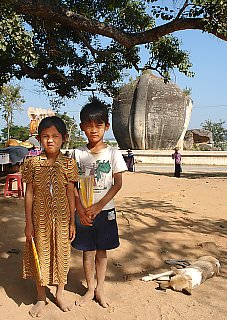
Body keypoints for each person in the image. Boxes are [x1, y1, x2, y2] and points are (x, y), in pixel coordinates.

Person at [72, 99, 127, 308]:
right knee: (87, 252)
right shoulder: (77, 153)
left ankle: (100, 288)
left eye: (98, 125)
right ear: (82, 127)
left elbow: (118, 183)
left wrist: (98, 205)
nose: (93, 130)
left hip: (106, 211)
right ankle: (89, 289)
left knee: (102, 252)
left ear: (106, 126)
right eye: (88, 125)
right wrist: (80, 209)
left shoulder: (113, 153)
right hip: (83, 213)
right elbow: (72, 185)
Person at [22, 116, 78, 317]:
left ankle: (60, 293)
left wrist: (72, 221)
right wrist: (29, 223)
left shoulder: (69, 163)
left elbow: (71, 192)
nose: (50, 140)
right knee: (42, 256)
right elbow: (29, 194)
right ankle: (40, 296)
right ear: (39, 139)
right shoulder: (32, 164)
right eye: (45, 136)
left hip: (63, 220)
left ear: (63, 138)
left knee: (62, 255)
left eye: (55, 136)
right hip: (40, 220)